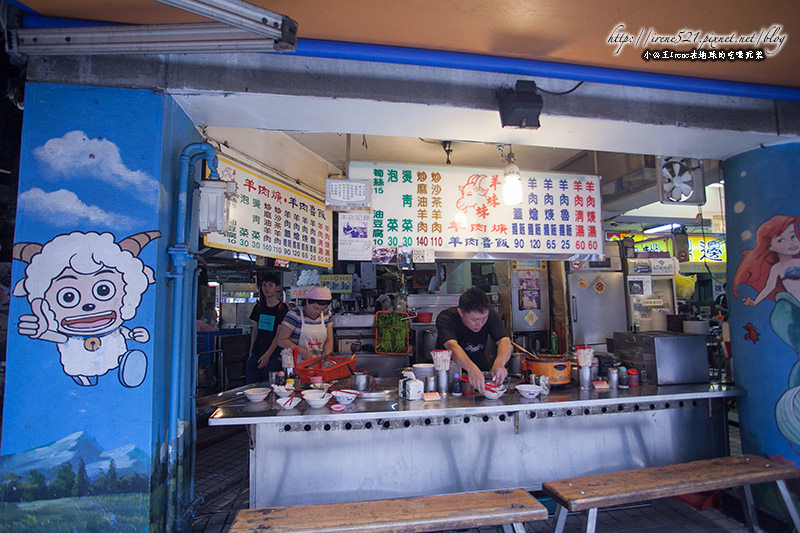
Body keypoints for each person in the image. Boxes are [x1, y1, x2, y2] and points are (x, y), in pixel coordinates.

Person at [435, 287, 512, 393]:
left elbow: (505, 341)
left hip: (480, 374)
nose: (480, 324)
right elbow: (452, 347)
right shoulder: (446, 318)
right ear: (461, 312)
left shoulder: (491, 315)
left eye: (484, 319)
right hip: (448, 377)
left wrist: (500, 363)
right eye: (474, 320)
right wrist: (471, 369)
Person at [246, 272, 289, 383]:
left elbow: (278, 335)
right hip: (257, 353)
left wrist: (267, 355)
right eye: (264, 285)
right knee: (251, 386)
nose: (267, 288)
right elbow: (255, 330)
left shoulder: (282, 308)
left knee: (269, 386)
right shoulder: (259, 306)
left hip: (273, 356)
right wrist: (251, 352)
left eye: (270, 285)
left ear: (277, 288)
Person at [276, 285, 334, 362]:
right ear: (307, 301)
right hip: (296, 362)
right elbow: (281, 340)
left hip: (319, 362)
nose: (318, 312)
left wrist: (324, 357)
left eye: (322, 309)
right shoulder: (294, 315)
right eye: (315, 308)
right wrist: (302, 351)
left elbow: (329, 340)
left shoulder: (327, 314)